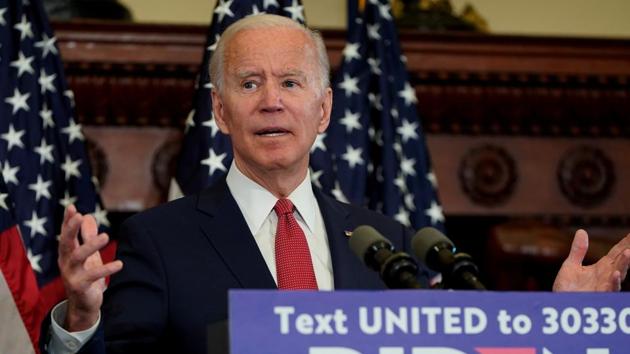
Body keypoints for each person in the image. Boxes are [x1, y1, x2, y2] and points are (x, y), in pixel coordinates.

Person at [43, 14, 630, 354]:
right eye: (249, 84)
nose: (272, 100)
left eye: (291, 83)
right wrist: (80, 318)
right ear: (219, 113)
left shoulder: (391, 243)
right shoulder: (157, 240)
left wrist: (561, 327)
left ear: (323, 112)